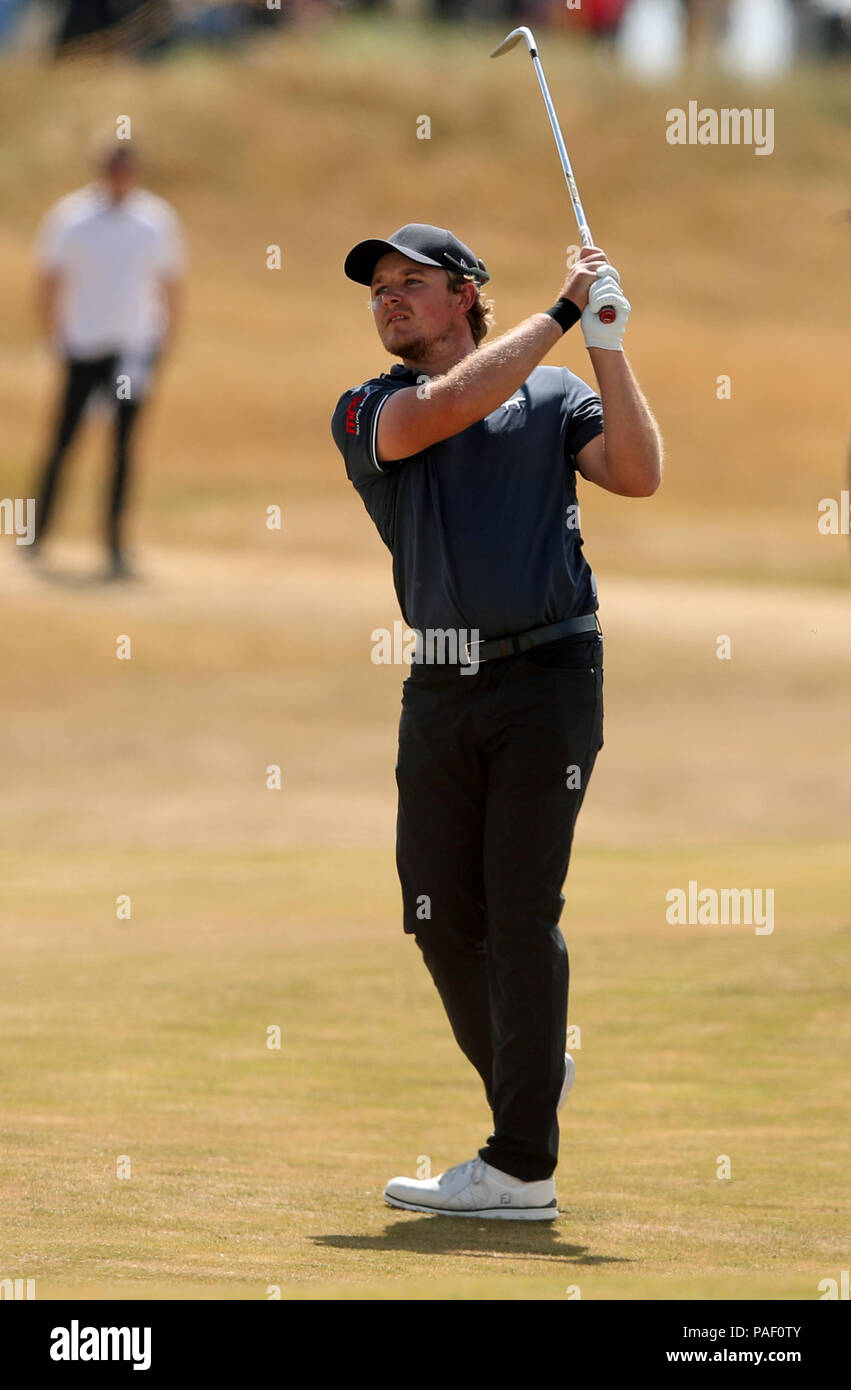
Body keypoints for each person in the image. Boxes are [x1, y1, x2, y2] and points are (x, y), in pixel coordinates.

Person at [331, 223, 663, 1219]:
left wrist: (603, 335)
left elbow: (638, 473)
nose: (388, 298)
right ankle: (531, 1074)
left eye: (411, 283)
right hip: (436, 686)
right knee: (437, 915)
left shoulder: (555, 393)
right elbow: (447, 408)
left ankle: (519, 1164)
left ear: (466, 294)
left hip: (548, 674)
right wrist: (563, 310)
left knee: (520, 910)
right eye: (378, 287)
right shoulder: (370, 407)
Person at [29, 139, 184, 578]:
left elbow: (169, 283)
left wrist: (165, 340)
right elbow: (49, 279)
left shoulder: (155, 220)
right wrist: (53, 336)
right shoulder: (71, 217)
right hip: (83, 346)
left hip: (132, 350)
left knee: (122, 447)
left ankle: (115, 545)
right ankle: (36, 537)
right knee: (64, 442)